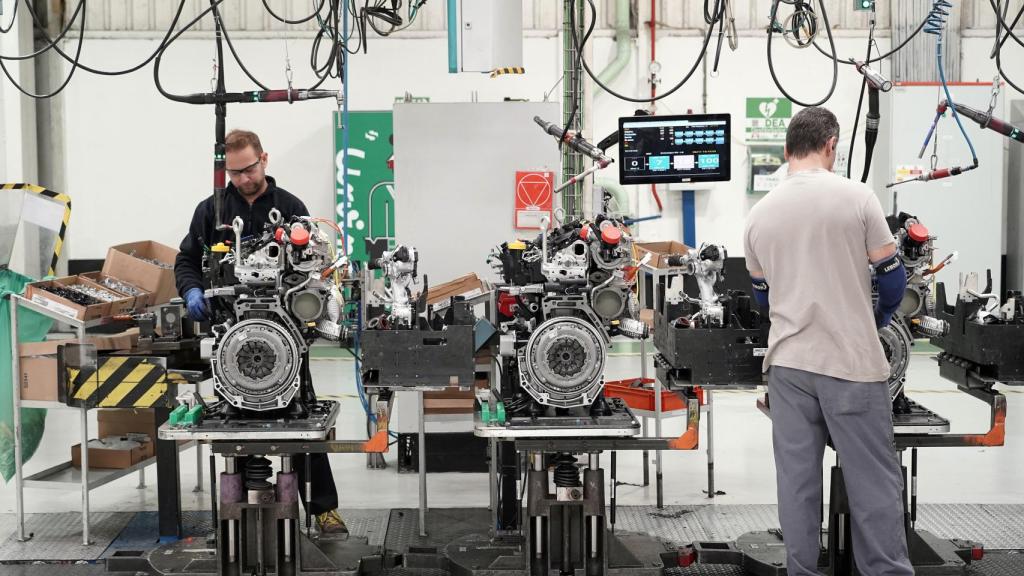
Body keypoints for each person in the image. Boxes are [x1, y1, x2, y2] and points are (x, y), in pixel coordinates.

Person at [743, 107, 911, 576]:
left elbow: (763, 299)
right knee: (873, 483)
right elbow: (894, 284)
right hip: (851, 363)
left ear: (786, 151)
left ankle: (803, 570)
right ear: (832, 144)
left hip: (789, 368)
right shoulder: (859, 199)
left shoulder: (759, 215)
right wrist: (871, 318)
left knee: (796, 485)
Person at [174, 129, 348, 536]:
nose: (242, 179)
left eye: (249, 169)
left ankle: (324, 508)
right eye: (234, 173)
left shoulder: (290, 207)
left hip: (285, 332)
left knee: (301, 417)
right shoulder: (209, 211)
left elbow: (314, 267)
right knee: (235, 418)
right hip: (232, 335)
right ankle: (233, 514)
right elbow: (186, 259)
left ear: (264, 160)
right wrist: (192, 288)